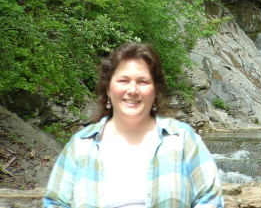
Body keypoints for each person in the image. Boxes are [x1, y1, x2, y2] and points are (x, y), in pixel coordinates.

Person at [43, 42, 224, 208]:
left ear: (155, 90)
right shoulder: (81, 145)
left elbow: (211, 199)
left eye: (142, 81)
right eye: (123, 80)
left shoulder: (182, 139)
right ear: (107, 88)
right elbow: (55, 203)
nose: (132, 90)